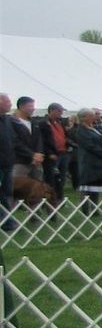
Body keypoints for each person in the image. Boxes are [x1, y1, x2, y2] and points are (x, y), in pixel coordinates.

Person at [34, 103, 69, 199]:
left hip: (63, 153)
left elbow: (64, 136)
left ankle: (60, 198)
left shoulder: (60, 123)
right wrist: (48, 153)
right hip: (52, 155)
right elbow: (42, 140)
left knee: (61, 178)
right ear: (52, 110)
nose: (61, 113)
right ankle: (50, 199)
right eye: (59, 111)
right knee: (51, 178)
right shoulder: (43, 123)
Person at [11, 96, 43, 181]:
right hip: (19, 162)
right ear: (21, 107)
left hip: (35, 162)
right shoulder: (11, 122)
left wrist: (39, 154)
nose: (33, 109)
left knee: (36, 186)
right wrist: (32, 154)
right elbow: (15, 142)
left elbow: (39, 139)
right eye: (30, 106)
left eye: (33, 106)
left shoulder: (34, 122)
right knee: (18, 186)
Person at [0, 94, 16, 231]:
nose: (10, 104)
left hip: (8, 162)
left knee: (6, 192)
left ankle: (6, 220)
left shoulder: (7, 119)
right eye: (7, 101)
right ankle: (7, 221)